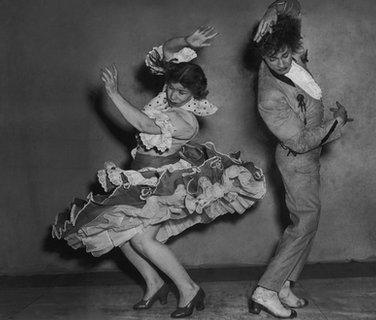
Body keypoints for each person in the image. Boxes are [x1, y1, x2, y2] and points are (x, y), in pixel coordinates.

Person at [52, 26, 266, 318]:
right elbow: (166, 52)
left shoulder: (185, 120)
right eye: (171, 87)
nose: (173, 94)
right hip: (137, 177)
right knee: (120, 233)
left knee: (141, 239)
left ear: (194, 94)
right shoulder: (165, 97)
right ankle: (154, 283)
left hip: (162, 184)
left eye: (181, 91)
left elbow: (143, 125)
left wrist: (113, 94)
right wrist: (187, 42)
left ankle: (189, 289)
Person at [249, 1, 353, 318]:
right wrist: (338, 124)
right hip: (296, 159)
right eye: (272, 58)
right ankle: (265, 291)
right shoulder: (269, 95)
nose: (281, 62)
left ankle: (284, 284)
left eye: (285, 54)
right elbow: (299, 140)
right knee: (303, 223)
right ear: (262, 57)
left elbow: (293, 7)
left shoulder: (289, 49)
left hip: (310, 160)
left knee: (308, 221)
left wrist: (272, 10)